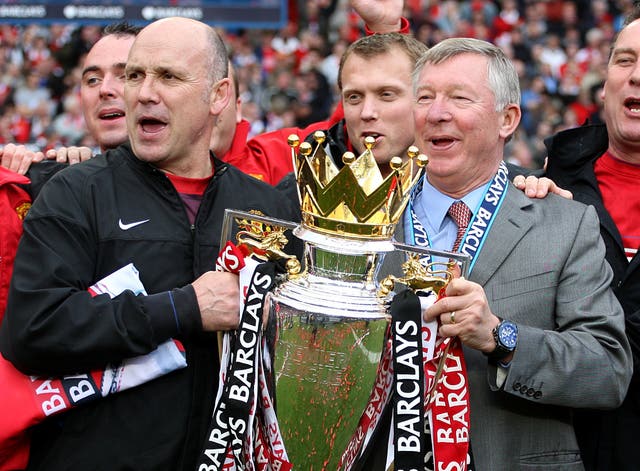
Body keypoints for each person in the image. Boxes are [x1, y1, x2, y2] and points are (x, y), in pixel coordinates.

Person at [0, 16, 296, 471]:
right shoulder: (76, 193)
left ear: (218, 96)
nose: (143, 93)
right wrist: (181, 309)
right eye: (136, 75)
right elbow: (33, 330)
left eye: (169, 77)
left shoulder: (265, 208)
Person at [365, 37, 631, 470]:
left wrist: (501, 338)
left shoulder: (565, 224)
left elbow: (608, 370)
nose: (437, 113)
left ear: (507, 119)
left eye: (459, 98)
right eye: (425, 97)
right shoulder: (368, 222)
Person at [544, 6, 640, 469]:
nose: (637, 75)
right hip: (568, 444)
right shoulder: (548, 186)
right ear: (604, 86)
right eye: (624, 60)